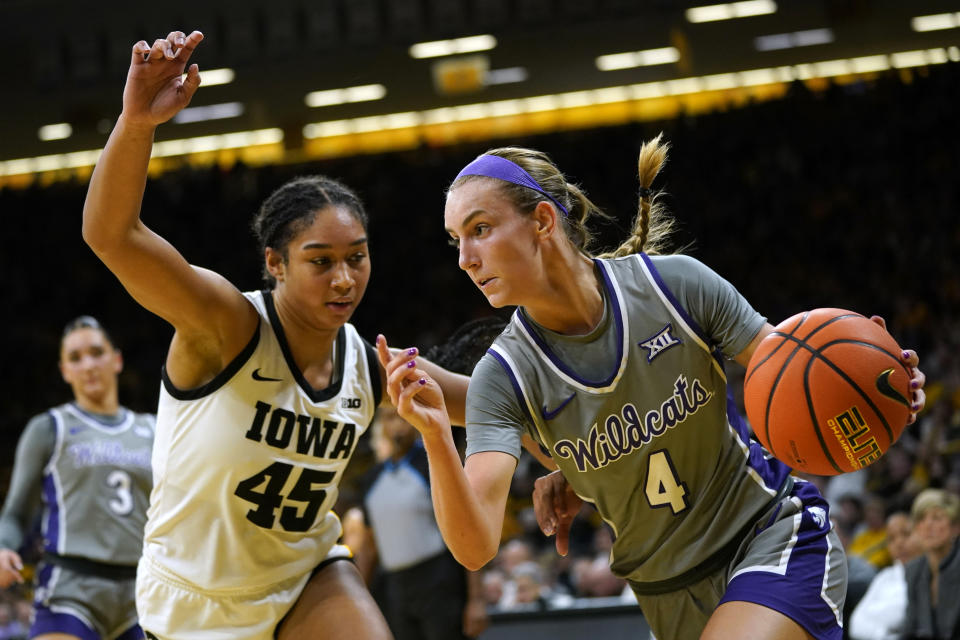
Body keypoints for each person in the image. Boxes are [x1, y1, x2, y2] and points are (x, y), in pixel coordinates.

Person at [377, 136, 927, 640]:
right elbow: (474, 548)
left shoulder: (674, 285)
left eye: (480, 230)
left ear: (543, 220)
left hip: (767, 536)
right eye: (455, 240)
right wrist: (432, 434)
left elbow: (795, 364)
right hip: (665, 593)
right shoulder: (505, 376)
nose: (465, 259)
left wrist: (877, 383)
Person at [81, 30, 469, 640]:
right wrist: (135, 122)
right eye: (321, 261)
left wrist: (568, 462)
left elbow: (498, 404)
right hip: (192, 601)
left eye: (358, 257)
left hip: (306, 577)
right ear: (276, 263)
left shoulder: (367, 366)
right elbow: (112, 236)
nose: (344, 279)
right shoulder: (226, 325)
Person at [0, 316, 154, 640]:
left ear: (117, 360)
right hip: (70, 588)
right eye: (75, 358)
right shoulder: (48, 428)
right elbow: (16, 513)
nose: (88, 364)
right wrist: (3, 547)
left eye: (97, 352)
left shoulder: (155, 430)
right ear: (64, 371)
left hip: (144, 592)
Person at [351, 407, 488, 640]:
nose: (397, 425)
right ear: (380, 425)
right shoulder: (371, 479)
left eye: (401, 418)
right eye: (389, 418)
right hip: (395, 587)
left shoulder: (432, 465)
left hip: (438, 579)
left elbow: (466, 531)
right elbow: (368, 547)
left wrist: (476, 599)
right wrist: (359, 600)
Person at [848, 511, 920, 640]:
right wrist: (883, 634)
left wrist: (873, 615)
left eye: (906, 534)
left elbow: (901, 614)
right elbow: (855, 623)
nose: (899, 543)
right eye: (891, 539)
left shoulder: (928, 575)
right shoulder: (885, 576)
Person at [902, 488, 960, 639]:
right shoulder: (913, 570)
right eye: (921, 519)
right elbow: (910, 629)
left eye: (937, 518)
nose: (928, 525)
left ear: (955, 527)